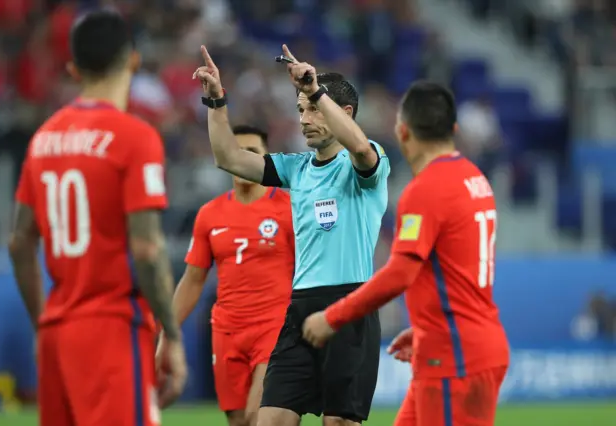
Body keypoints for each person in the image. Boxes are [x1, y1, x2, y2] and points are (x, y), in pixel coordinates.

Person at [193, 44, 390, 426]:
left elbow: (361, 149)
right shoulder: (295, 169)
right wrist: (216, 102)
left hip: (350, 306)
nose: (305, 118)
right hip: (298, 308)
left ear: (343, 113)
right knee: (270, 421)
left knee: (337, 423)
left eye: (313, 108)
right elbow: (228, 158)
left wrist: (316, 90)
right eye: (300, 109)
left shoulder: (367, 165)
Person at [8, 10, 187, 426]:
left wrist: (42, 323)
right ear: (134, 61)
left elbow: (20, 242)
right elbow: (146, 247)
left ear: (72, 69)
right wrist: (173, 338)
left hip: (57, 330)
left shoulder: (44, 138)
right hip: (113, 328)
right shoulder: (135, 136)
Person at [301, 81, 510, 426]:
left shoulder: (425, 189)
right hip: (466, 342)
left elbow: (401, 272)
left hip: (453, 355)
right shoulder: (475, 180)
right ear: (454, 129)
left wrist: (333, 317)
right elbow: (459, 266)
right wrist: (425, 327)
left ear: (403, 132)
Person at [156, 125, 294, 426]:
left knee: (260, 416)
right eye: (235, 152)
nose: (242, 160)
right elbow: (193, 280)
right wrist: (168, 332)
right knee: (239, 421)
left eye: (252, 153)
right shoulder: (210, 214)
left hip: (274, 327)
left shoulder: (289, 209)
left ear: (266, 160)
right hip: (227, 331)